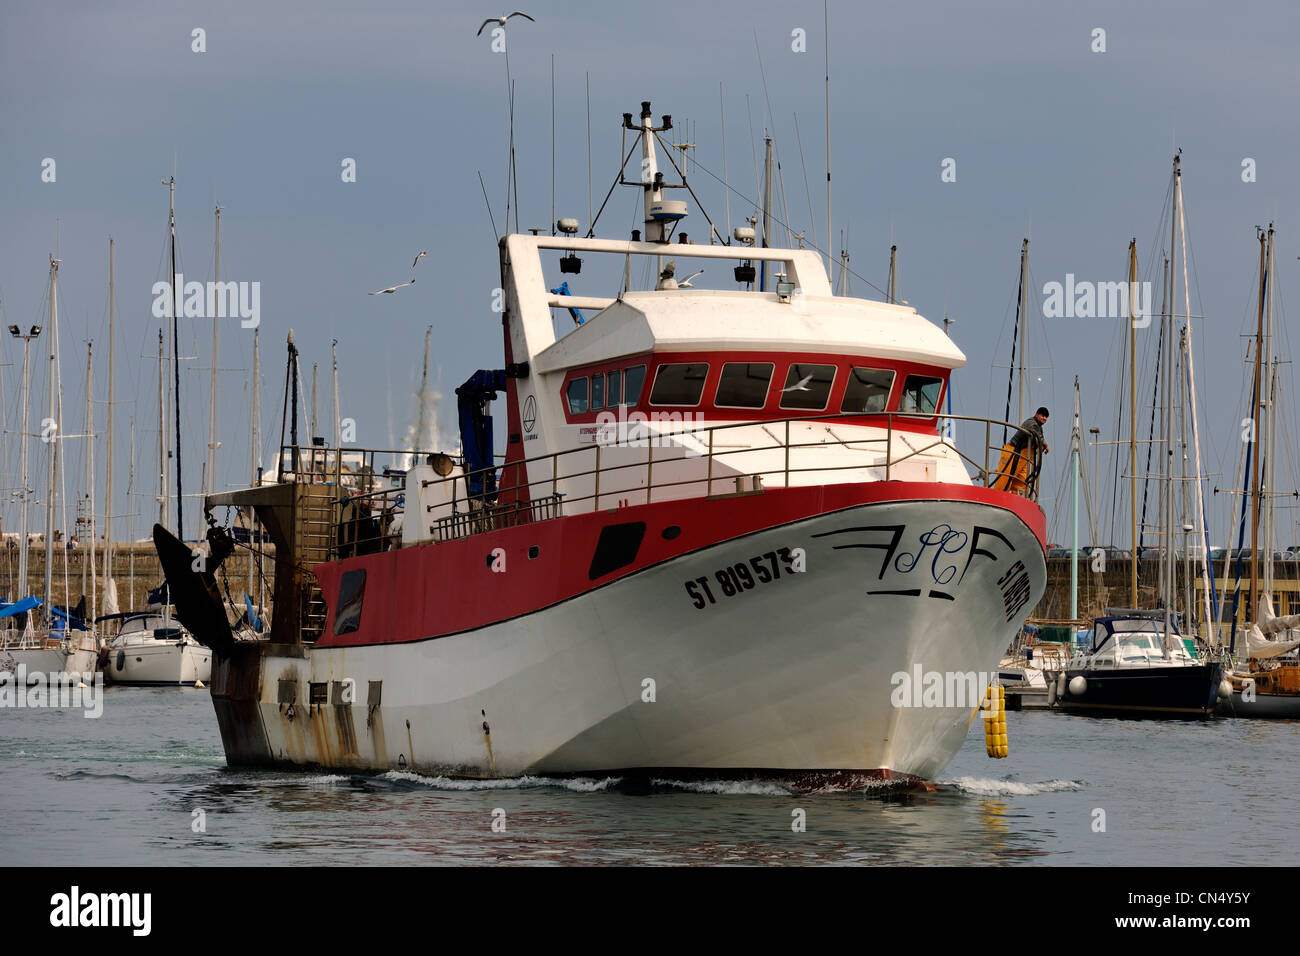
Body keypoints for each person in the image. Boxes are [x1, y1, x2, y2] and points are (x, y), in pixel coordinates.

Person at [992, 407, 1049, 494]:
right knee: (1004, 479)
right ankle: (997, 497)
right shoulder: (1031, 423)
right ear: (1037, 414)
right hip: (1012, 452)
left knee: (1021, 481)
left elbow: (1038, 437)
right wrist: (1044, 444)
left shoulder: (1039, 427)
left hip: (1023, 456)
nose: (1045, 418)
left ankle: (1016, 501)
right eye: (1043, 415)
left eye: (1046, 417)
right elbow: (1037, 435)